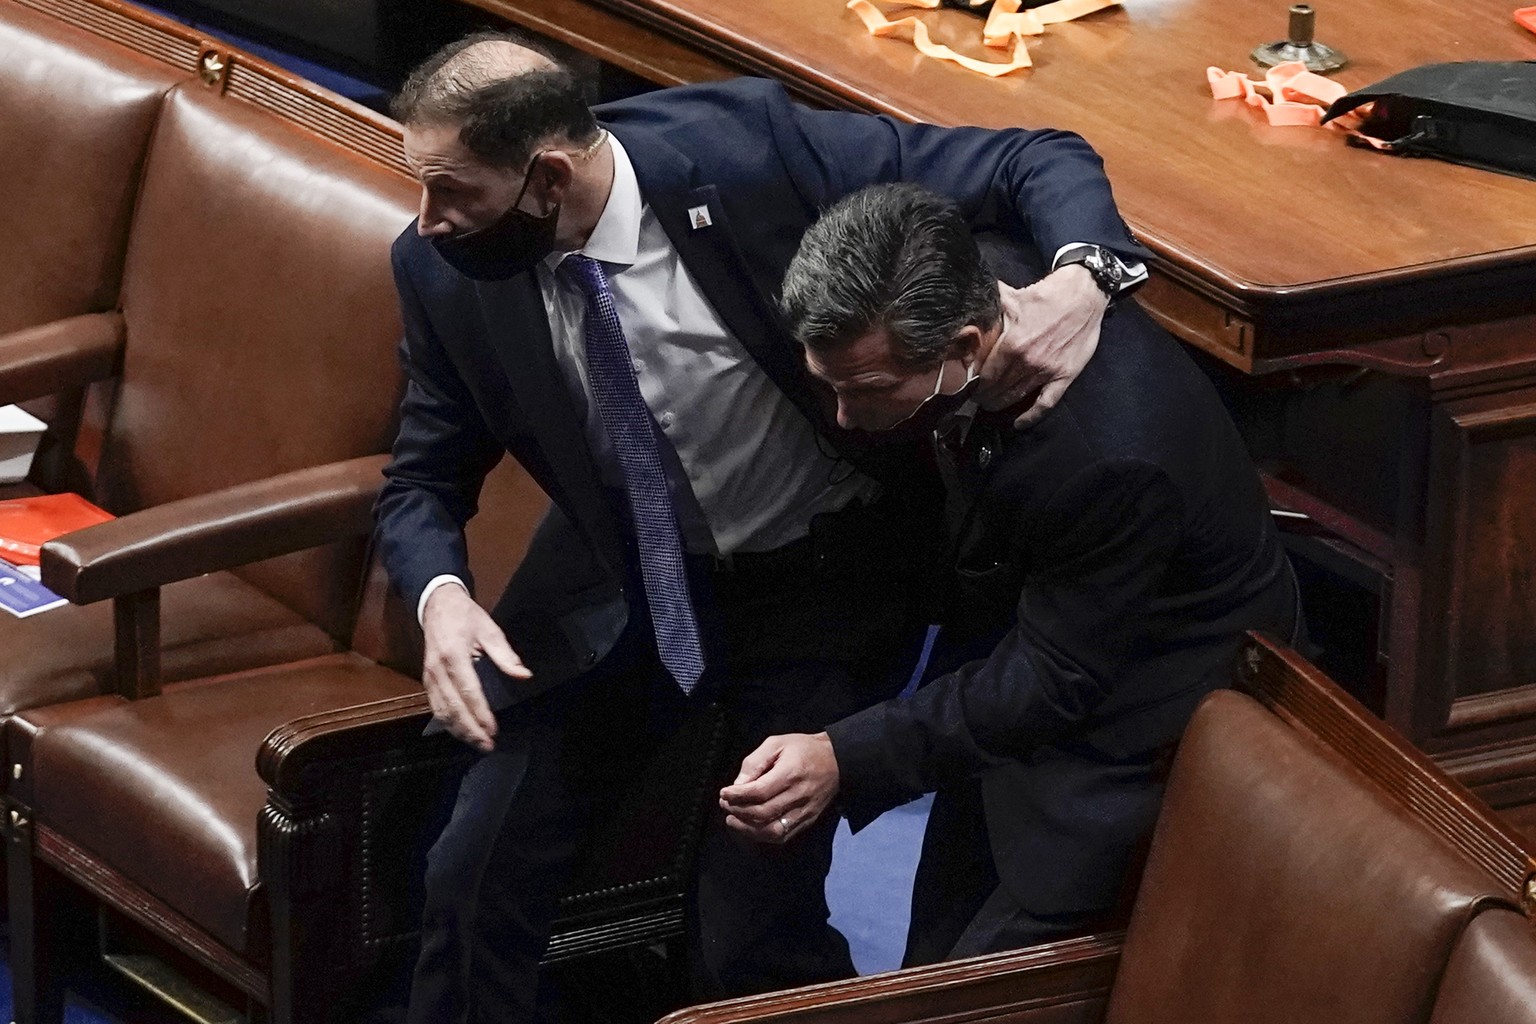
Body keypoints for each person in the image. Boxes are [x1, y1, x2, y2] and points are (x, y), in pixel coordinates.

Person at [375, 30, 1152, 1023]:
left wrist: (1084, 278)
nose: (428, 222)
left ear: (547, 176)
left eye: (454, 193)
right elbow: (421, 478)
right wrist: (442, 598)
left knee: (748, 931)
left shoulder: (748, 152)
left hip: (817, 592)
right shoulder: (439, 272)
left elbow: (1035, 154)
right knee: (471, 877)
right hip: (620, 585)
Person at [719, 183, 1300, 964]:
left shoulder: (1107, 457)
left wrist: (843, 755)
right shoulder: (973, 280)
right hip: (1016, 669)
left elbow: (1052, 681)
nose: (845, 420)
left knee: (966, 992)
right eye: (829, 386)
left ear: (963, 350)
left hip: (1139, 735)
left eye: (864, 392)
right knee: (926, 960)